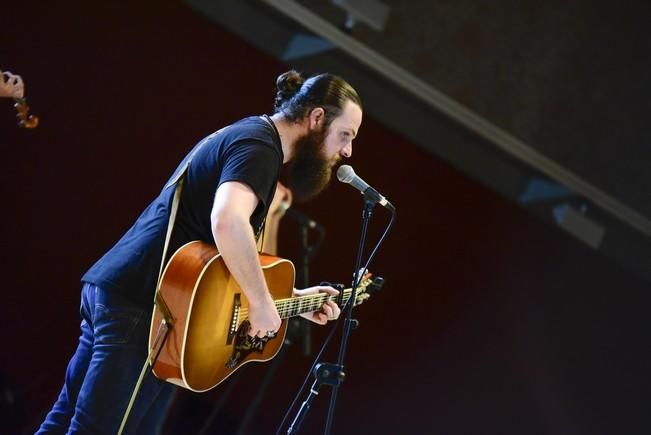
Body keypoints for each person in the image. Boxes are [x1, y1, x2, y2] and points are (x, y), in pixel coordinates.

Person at [36, 70, 363, 434]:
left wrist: (290, 298)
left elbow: (221, 262)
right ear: (317, 118)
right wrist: (259, 301)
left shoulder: (252, 136)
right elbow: (227, 221)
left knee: (66, 422)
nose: (347, 150)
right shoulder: (260, 148)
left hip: (129, 294)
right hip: (147, 306)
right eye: (345, 135)